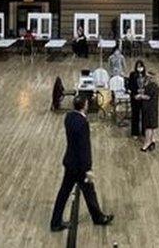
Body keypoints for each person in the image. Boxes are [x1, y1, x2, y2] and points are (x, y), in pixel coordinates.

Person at [50, 96, 114, 232]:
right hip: (79, 166)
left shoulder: (69, 117)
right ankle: (98, 218)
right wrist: (88, 168)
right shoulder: (82, 123)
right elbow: (84, 147)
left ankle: (56, 221)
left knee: (66, 193)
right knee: (89, 191)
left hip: (70, 162)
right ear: (84, 105)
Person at [136, 71, 159, 152]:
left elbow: (148, 97)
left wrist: (139, 96)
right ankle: (153, 141)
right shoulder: (155, 85)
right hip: (153, 108)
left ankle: (147, 143)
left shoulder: (152, 86)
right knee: (153, 126)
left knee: (148, 127)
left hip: (149, 108)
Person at [127, 61, 147, 138]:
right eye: (138, 67)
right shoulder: (132, 75)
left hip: (143, 98)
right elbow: (130, 86)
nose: (140, 68)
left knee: (144, 115)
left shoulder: (145, 76)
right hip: (135, 97)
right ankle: (135, 132)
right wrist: (136, 92)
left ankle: (144, 131)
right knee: (135, 115)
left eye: (141, 66)